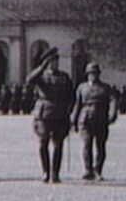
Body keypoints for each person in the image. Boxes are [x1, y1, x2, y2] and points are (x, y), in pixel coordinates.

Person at [25, 47, 75, 183]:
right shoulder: (41, 76)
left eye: (56, 61)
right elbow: (29, 79)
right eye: (51, 61)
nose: (54, 64)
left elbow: (71, 95)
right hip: (44, 114)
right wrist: (41, 67)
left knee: (58, 144)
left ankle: (55, 173)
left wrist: (70, 111)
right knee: (43, 143)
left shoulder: (64, 77)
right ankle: (45, 172)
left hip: (60, 114)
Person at [71, 62, 118, 181]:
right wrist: (73, 119)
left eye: (95, 73)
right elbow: (77, 104)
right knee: (87, 144)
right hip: (85, 119)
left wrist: (112, 114)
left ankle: (98, 170)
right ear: (87, 74)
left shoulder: (105, 88)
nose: (93, 76)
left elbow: (113, 101)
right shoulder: (82, 87)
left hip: (101, 118)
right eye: (91, 73)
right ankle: (88, 170)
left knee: (100, 146)